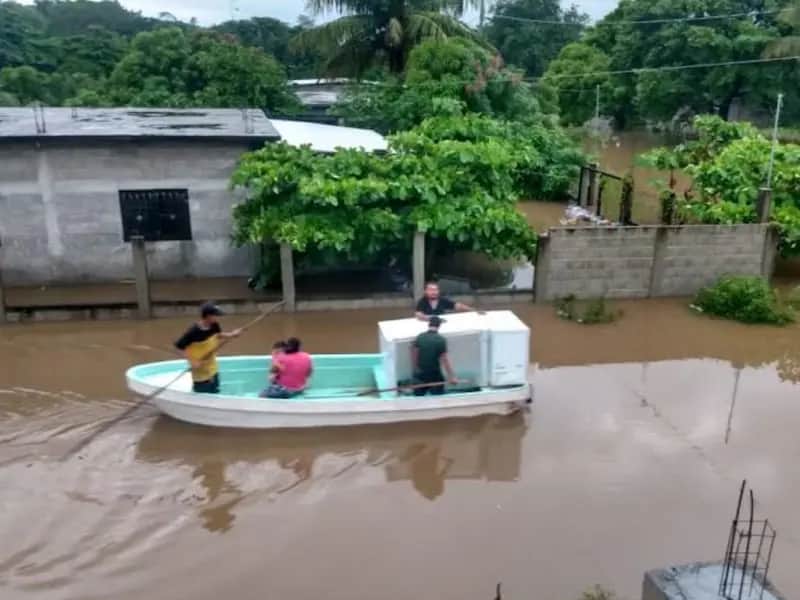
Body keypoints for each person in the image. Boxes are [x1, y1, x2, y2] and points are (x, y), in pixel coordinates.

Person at [174, 302, 241, 394]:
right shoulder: (193, 331)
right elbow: (179, 347)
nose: (217, 317)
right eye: (216, 315)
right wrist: (192, 361)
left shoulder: (214, 325)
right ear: (208, 316)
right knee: (202, 396)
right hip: (200, 372)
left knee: (216, 394)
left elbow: (218, 335)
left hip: (213, 368)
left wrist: (232, 334)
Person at [410, 316, 457, 396]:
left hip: (420, 375)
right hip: (435, 376)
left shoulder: (420, 337)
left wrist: (415, 371)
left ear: (429, 324)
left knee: (418, 399)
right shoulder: (440, 340)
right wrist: (452, 377)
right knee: (438, 399)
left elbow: (414, 355)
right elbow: (444, 360)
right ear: (439, 326)